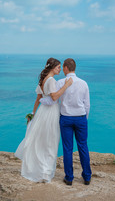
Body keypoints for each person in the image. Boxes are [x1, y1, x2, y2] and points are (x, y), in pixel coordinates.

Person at [15, 58, 73, 183]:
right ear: (52, 67)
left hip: (42, 112)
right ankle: (45, 174)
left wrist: (33, 114)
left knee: (41, 141)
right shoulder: (51, 80)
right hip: (51, 112)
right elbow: (54, 97)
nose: (60, 69)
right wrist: (66, 85)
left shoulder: (43, 80)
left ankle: (40, 170)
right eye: (58, 67)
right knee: (50, 142)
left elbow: (38, 99)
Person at [41, 58, 92, 186]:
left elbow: (54, 98)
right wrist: (84, 119)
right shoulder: (84, 83)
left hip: (66, 118)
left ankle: (69, 178)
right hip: (80, 118)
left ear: (66, 68)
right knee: (83, 147)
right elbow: (87, 105)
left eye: (63, 67)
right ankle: (87, 177)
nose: (62, 69)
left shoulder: (60, 82)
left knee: (67, 148)